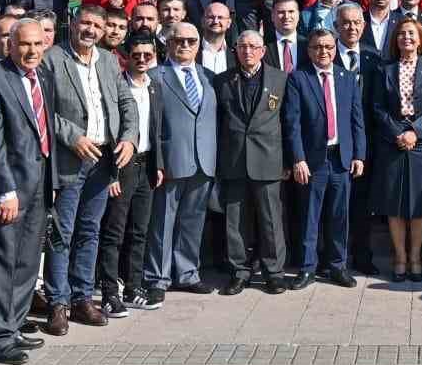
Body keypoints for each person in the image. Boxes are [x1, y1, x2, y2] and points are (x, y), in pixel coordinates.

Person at [38, 6, 137, 331]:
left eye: (97, 25)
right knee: (61, 233)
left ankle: (82, 298)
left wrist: (129, 139)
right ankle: (58, 303)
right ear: (72, 23)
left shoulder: (109, 60)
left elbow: (126, 103)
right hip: (70, 159)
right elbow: (42, 110)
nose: (91, 30)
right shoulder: (52, 59)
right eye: (86, 23)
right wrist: (71, 137)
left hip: (103, 159)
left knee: (89, 232)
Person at [0, 18, 54, 365]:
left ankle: (15, 322)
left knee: (26, 261)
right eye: (24, 44)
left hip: (41, 183)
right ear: (10, 45)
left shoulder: (44, 76)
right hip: (13, 188)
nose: (31, 51)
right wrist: (5, 189)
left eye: (37, 44)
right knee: (2, 261)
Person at [282, 30, 365, 289]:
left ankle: (337, 266)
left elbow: (357, 120)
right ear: (309, 51)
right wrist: (298, 159)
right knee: (310, 216)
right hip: (312, 161)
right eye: (318, 47)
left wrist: (359, 155)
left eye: (329, 47)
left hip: (341, 159)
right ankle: (307, 268)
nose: (324, 52)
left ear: (335, 49)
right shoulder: (298, 78)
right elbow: (292, 123)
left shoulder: (348, 78)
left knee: (339, 216)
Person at [368, 17, 422, 281]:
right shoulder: (384, 69)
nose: (406, 38)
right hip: (393, 142)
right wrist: (399, 132)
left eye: (411, 33)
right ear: (395, 39)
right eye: (401, 34)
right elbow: (377, 107)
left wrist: (416, 131)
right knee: (395, 202)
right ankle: (399, 257)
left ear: (420, 38)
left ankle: (415, 257)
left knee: (419, 204)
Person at [144, 22, 216, 301]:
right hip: (171, 162)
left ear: (199, 45)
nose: (185, 45)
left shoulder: (209, 77)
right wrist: (157, 162)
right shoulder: (154, 77)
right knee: (162, 221)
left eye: (191, 40)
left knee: (192, 220)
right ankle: (158, 278)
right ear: (168, 44)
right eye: (179, 40)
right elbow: (151, 125)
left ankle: (187, 273)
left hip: (204, 161)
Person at [214, 31, 289, 296]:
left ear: (262, 51)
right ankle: (239, 272)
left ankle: (274, 273)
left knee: (270, 219)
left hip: (269, 159)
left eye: (253, 46)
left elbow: (288, 122)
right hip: (233, 159)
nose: (247, 51)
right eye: (242, 46)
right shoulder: (222, 81)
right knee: (235, 221)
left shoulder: (280, 79)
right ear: (235, 50)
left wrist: (288, 161)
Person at [98, 32, 162, 317]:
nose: (143, 60)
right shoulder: (116, 86)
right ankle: (110, 293)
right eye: (137, 55)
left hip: (146, 165)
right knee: (114, 232)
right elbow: (109, 132)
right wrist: (110, 174)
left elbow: (156, 130)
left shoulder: (154, 86)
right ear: (127, 57)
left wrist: (158, 164)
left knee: (139, 231)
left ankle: (134, 287)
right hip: (121, 165)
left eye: (148, 55)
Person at [335, 4, 382, 276]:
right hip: (336, 141)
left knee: (363, 204)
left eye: (356, 23)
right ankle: (334, 256)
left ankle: (362, 254)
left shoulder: (375, 58)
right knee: (338, 203)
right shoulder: (326, 55)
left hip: (367, 142)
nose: (351, 28)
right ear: (336, 26)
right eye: (346, 23)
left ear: (363, 26)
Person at [199, 2, 236, 77]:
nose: (216, 21)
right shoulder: (191, 51)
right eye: (211, 17)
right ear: (203, 21)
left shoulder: (237, 55)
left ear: (229, 23)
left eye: (220, 18)